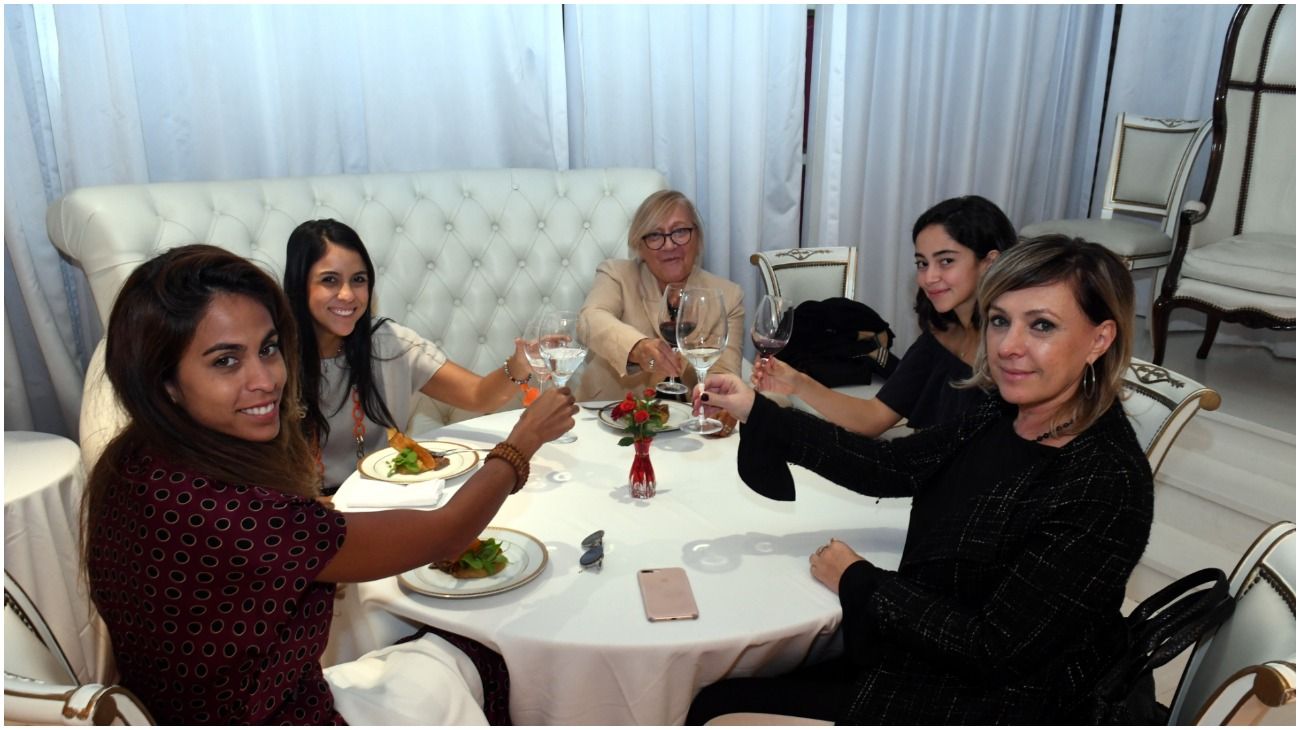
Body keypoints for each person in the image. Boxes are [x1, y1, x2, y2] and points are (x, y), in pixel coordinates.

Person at [82, 245, 577, 725]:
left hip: (190, 706)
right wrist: (520, 444)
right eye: (225, 361)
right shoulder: (237, 512)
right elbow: (447, 533)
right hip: (278, 714)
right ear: (163, 381)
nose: (265, 380)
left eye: (269, 349)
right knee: (491, 653)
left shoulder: (132, 461)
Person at [687, 235, 1152, 724]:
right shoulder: (1004, 412)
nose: (1009, 347)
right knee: (723, 688)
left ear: (1100, 339)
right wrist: (754, 409)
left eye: (1041, 325)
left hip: (984, 704)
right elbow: (891, 465)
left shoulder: (1105, 483)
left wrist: (859, 579)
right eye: (999, 321)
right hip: (920, 655)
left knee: (716, 708)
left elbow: (991, 647)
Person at [283, 219, 536, 492]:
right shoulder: (272, 359)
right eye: (329, 280)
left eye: (358, 280)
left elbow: (478, 395)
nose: (347, 295)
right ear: (300, 286)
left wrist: (519, 364)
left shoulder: (390, 344)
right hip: (305, 511)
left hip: (386, 498)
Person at [751, 195, 1016, 436]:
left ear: (990, 262)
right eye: (922, 263)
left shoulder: (1013, 351)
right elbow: (874, 417)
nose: (929, 277)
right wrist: (797, 382)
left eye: (946, 261)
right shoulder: (941, 336)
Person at [576, 190, 744, 402]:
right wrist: (638, 347)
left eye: (680, 231)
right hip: (610, 412)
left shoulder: (727, 295)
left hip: (687, 422)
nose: (669, 245)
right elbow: (590, 319)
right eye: (655, 235)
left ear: (698, 238)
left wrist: (719, 403)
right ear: (639, 246)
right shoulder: (617, 274)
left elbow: (724, 373)